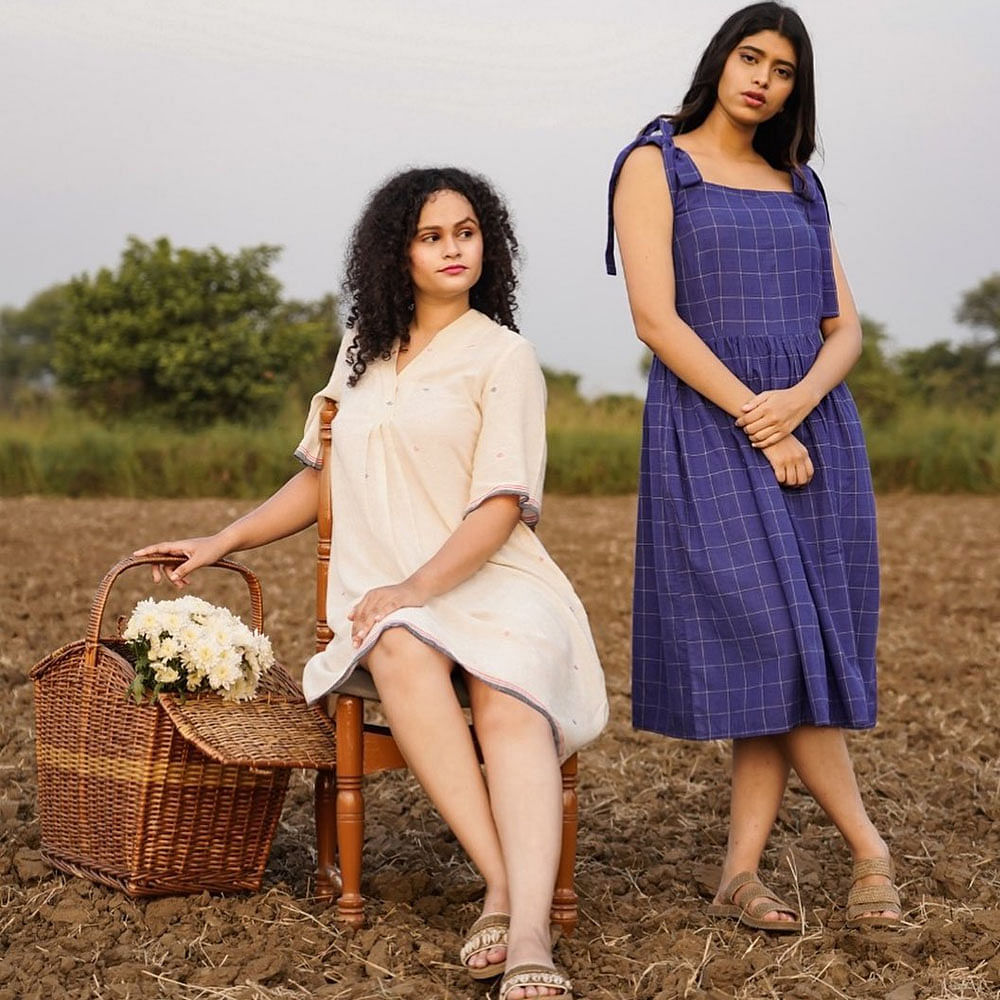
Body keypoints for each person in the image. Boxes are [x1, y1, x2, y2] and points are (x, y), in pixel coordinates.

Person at [137, 167, 607, 999]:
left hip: (493, 581)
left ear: (486, 243)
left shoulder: (505, 356)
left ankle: (528, 931)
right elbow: (321, 478)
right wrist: (226, 536)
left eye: (466, 231)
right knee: (392, 642)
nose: (454, 248)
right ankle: (502, 883)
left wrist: (418, 585)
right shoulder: (361, 350)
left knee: (508, 694)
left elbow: (502, 502)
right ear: (399, 252)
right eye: (432, 236)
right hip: (398, 597)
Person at [605, 2, 901, 931]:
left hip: (816, 424)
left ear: (793, 90)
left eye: (782, 69)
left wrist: (799, 406)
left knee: (790, 656)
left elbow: (845, 327)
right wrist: (758, 420)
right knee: (773, 637)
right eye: (750, 56)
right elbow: (656, 321)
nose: (763, 78)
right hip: (713, 425)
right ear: (721, 60)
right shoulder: (658, 165)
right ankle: (870, 851)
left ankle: (738, 872)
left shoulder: (799, 183)